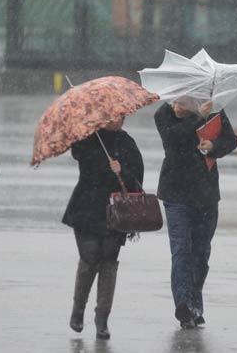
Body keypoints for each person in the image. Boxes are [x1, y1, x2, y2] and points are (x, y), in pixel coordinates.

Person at [154, 96, 237, 329]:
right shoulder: (163, 114)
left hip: (206, 194)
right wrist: (198, 117)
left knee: (201, 254)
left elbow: (231, 140)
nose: (179, 105)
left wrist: (214, 146)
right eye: (178, 101)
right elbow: (174, 139)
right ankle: (183, 305)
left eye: (185, 101)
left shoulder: (214, 110)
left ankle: (194, 304)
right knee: (181, 250)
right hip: (176, 194)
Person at [63, 118, 144, 340]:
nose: (119, 120)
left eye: (122, 117)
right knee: (89, 260)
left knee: (108, 263)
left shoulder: (126, 142)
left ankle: (102, 319)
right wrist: (102, 161)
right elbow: (79, 154)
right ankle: (78, 311)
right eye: (114, 116)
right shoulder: (87, 138)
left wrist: (122, 170)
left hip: (115, 211)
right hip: (86, 207)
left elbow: (137, 179)